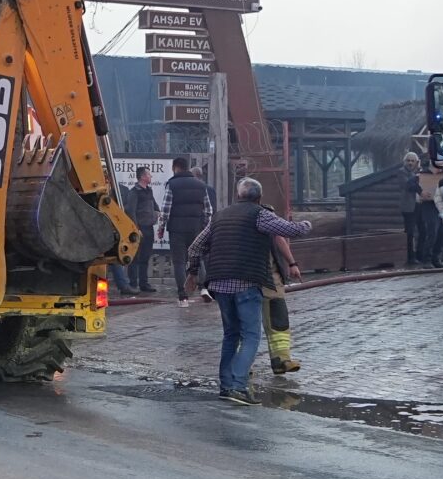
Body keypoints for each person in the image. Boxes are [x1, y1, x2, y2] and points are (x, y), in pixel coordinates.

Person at [186, 176, 312, 404]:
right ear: (259, 198)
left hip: (219, 284)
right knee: (251, 336)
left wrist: (192, 273)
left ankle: (226, 387)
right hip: (246, 283)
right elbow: (290, 231)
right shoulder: (260, 214)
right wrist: (306, 224)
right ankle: (239, 386)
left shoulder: (219, 216)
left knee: (230, 335)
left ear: (238, 196)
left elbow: (195, 247)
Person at [161, 154, 211, 299]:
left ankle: (182, 293)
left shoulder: (172, 184)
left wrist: (161, 227)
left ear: (175, 168)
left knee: (179, 262)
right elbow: (208, 210)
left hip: (176, 230)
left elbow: (165, 210)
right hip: (196, 229)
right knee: (198, 259)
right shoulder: (201, 185)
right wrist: (203, 226)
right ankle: (204, 289)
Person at [116, 166, 162, 294]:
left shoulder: (149, 190)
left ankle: (144, 283)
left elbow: (155, 205)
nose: (151, 176)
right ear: (142, 177)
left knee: (145, 257)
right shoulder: (134, 192)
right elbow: (131, 211)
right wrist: (136, 228)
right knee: (135, 257)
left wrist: (157, 212)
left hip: (149, 227)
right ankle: (133, 283)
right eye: (149, 174)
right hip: (139, 229)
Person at [264, 232, 301, 375]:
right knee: (277, 319)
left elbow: (280, 237)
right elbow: (280, 237)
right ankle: (281, 360)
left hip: (261, 279)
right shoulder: (268, 220)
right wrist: (292, 263)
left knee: (246, 325)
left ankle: (281, 360)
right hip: (265, 278)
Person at [402, 152, 439, 266]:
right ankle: (410, 257)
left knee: (423, 231)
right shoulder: (402, 172)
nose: (410, 163)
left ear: (417, 162)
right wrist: (421, 190)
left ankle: (420, 255)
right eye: (408, 160)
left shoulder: (420, 172)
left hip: (420, 206)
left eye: (412, 161)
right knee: (410, 233)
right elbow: (408, 185)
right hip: (409, 207)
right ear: (404, 162)